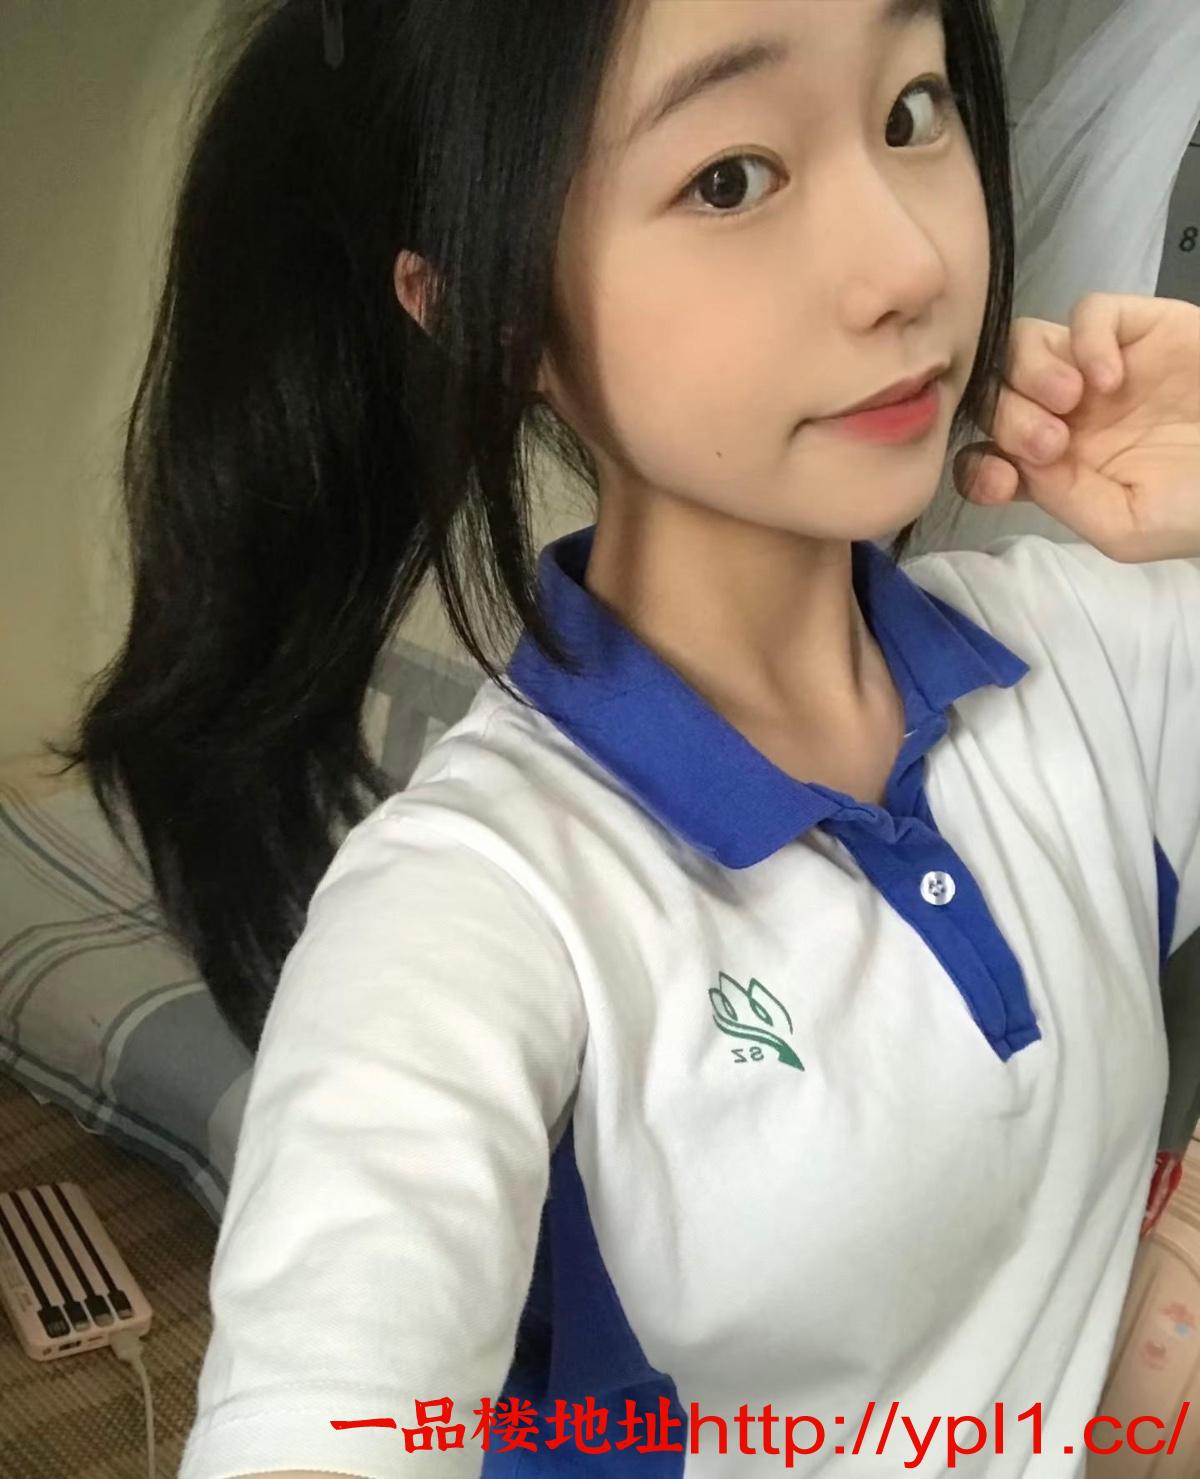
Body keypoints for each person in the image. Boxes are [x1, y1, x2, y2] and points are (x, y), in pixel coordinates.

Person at [45, 0, 1200, 1474]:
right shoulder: (477, 906)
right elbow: (324, 1410)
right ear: (490, 315)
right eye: (730, 178)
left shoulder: (1088, 663)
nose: (911, 265)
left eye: (911, 111)